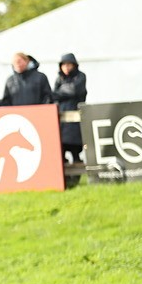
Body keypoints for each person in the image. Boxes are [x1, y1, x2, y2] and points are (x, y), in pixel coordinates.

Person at [53, 53, 88, 186]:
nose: (66, 68)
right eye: (64, 65)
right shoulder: (59, 79)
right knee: (61, 151)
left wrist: (61, 92)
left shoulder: (80, 76)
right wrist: (63, 92)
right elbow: (53, 95)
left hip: (75, 123)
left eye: (69, 64)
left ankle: (76, 178)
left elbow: (74, 90)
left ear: (74, 65)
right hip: (61, 123)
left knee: (75, 151)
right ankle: (65, 180)